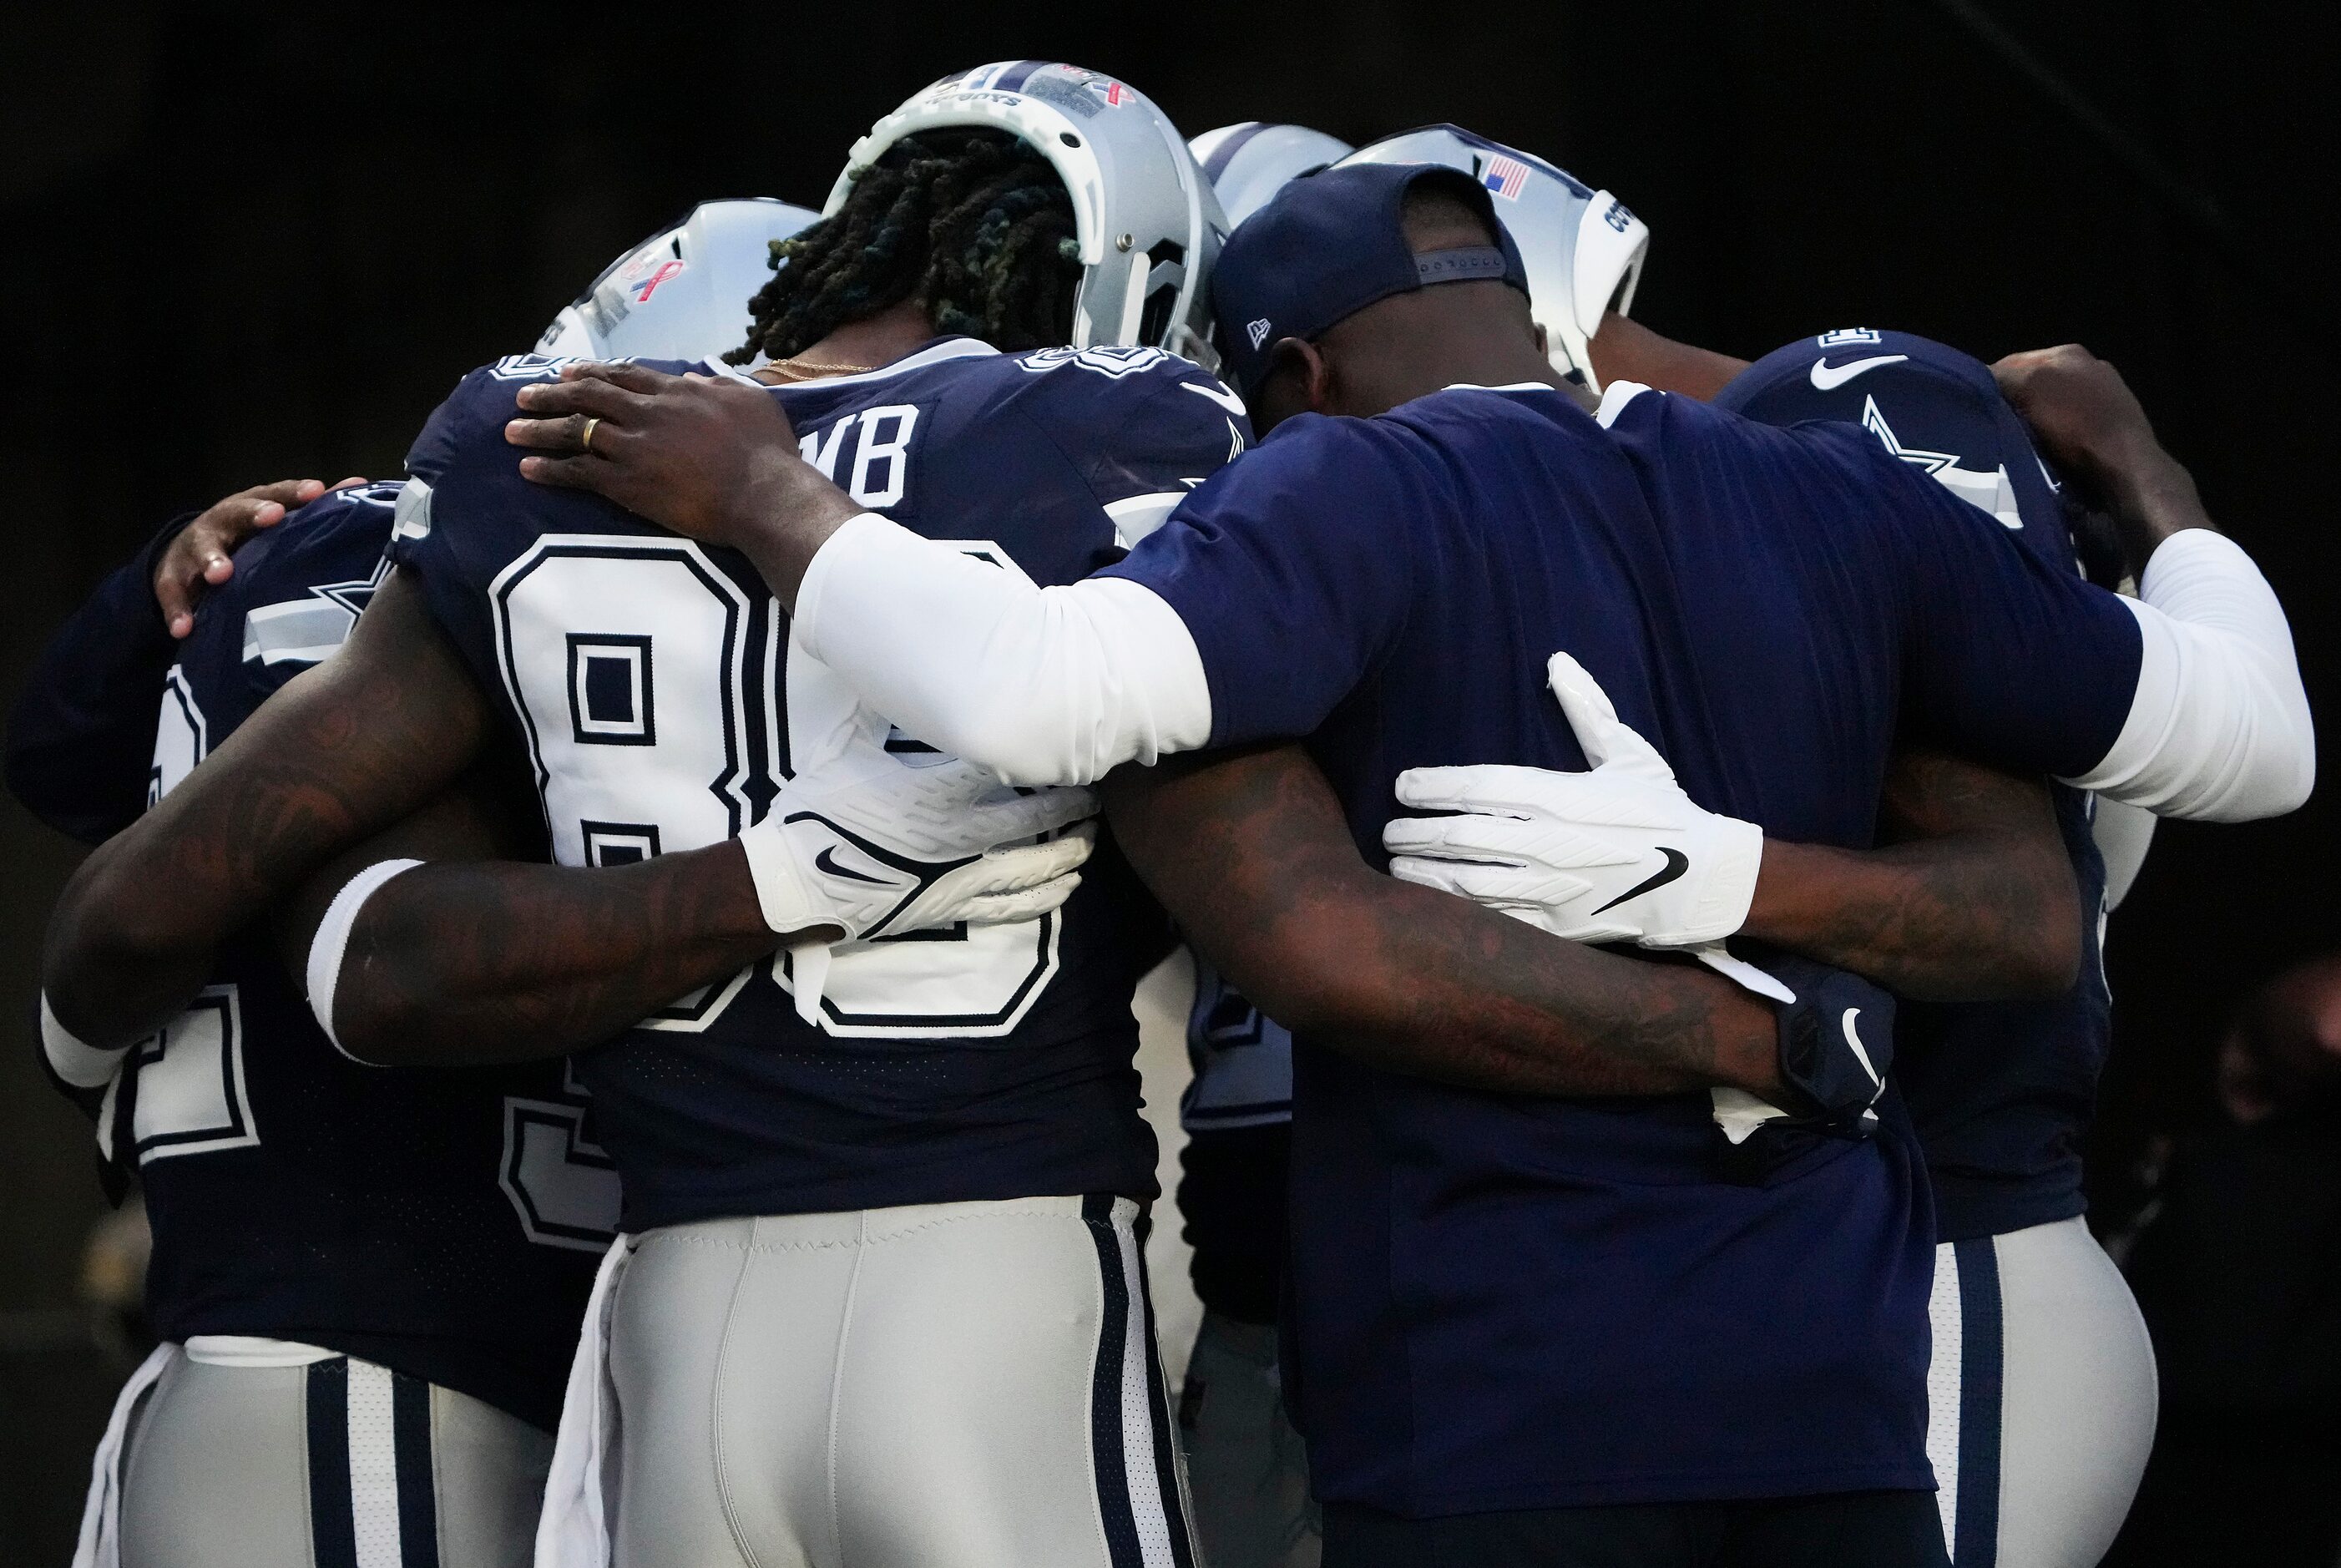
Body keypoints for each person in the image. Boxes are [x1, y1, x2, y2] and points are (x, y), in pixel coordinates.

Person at [497, 161, 2310, 1565]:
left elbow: (1035, 694)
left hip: (1493, 1394)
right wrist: (2152, 485)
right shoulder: (1840, 492)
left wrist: (774, 498)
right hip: (1825, 1396)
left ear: (1290, 375)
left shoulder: (1340, 488)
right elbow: (2255, 744)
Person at [1336, 124, 2182, 1568]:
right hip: (1795, 1291)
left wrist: (1720, 870)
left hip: (1968, 1259)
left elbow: (2227, 757)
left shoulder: (1855, 512)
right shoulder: (1707, 519)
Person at [8, 197, 858, 1568]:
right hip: (384, 1365)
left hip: (295, 1354)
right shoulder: (498, 616)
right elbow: (374, 951)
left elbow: (61, 747)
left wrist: (179, 578)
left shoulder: (327, 551)